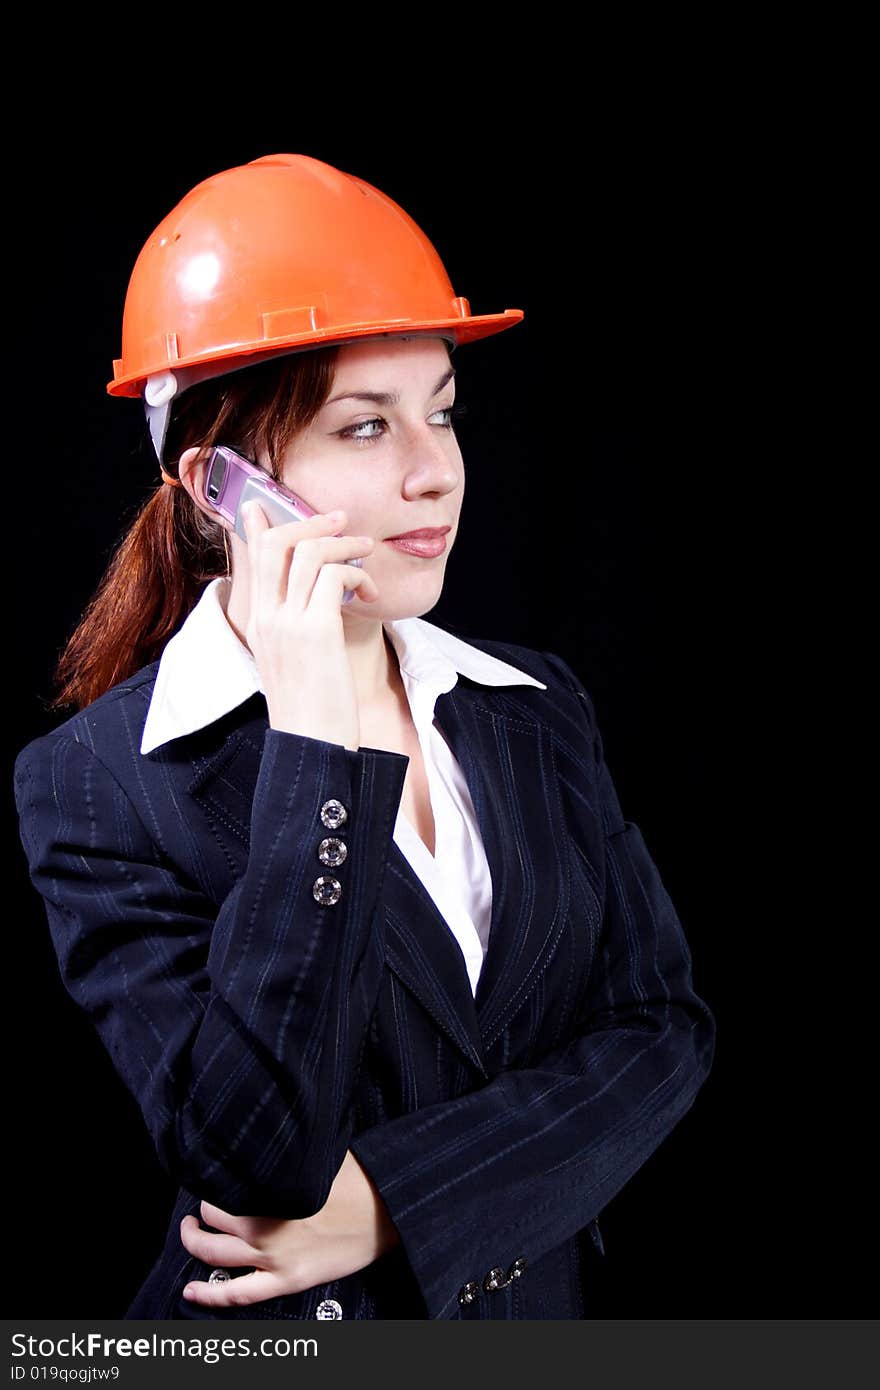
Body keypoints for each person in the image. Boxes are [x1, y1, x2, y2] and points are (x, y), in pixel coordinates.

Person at [13, 153, 716, 1321]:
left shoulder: (531, 706)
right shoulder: (97, 786)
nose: (433, 472)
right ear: (219, 484)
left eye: (440, 413)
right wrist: (312, 748)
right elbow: (256, 1155)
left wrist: (398, 1200)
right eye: (364, 426)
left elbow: (661, 1034)